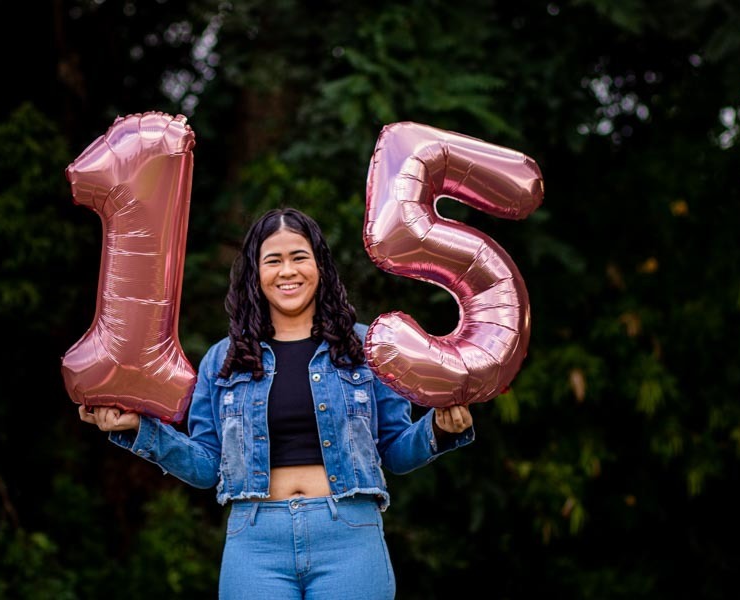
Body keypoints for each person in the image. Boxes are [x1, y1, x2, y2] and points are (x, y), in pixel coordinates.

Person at [79, 208, 474, 599]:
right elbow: (205, 466)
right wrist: (138, 429)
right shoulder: (224, 360)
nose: (288, 271)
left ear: (320, 267)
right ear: (256, 274)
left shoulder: (367, 349)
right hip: (255, 544)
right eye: (273, 261)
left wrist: (437, 427)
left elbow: (395, 452)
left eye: (299, 257)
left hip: (350, 538)